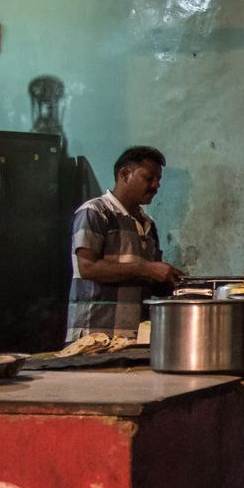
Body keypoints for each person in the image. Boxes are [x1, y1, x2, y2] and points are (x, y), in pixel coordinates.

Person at [67, 145, 184, 342]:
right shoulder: (95, 212)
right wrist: (147, 268)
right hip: (94, 338)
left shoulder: (148, 224)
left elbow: (151, 282)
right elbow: (88, 268)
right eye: (149, 178)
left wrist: (184, 285)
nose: (156, 185)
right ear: (125, 174)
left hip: (133, 338)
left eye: (158, 180)